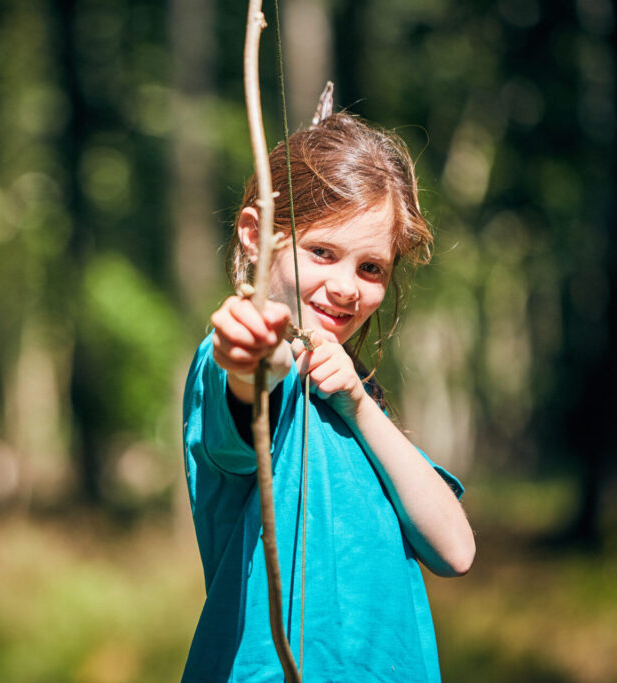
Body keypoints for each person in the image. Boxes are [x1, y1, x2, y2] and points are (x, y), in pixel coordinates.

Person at [181, 103, 476, 682]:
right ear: (255, 234)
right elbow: (247, 390)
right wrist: (249, 352)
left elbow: (456, 550)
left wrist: (361, 405)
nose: (346, 287)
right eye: (322, 252)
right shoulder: (242, 362)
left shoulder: (356, 398)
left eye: (372, 268)